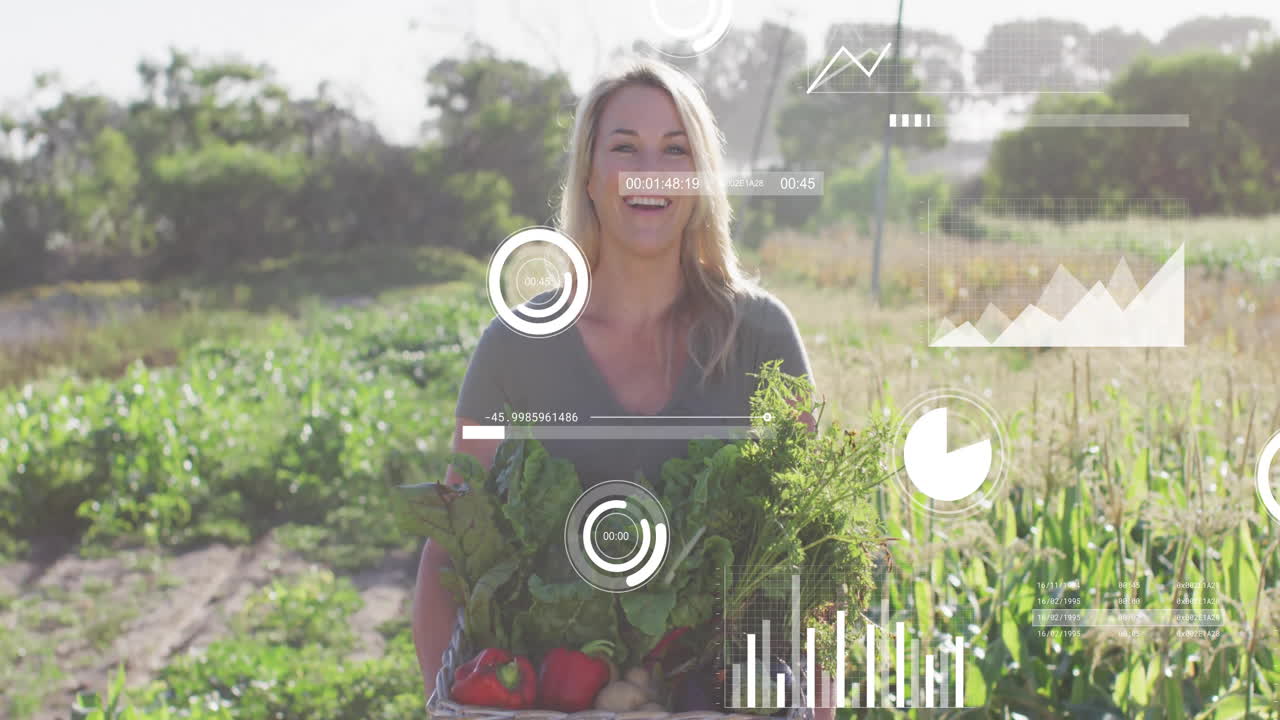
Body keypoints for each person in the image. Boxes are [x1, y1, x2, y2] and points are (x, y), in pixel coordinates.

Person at [411, 57, 821, 712]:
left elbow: (813, 540)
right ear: (591, 177)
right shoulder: (514, 345)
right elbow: (451, 546)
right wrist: (448, 704)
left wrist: (816, 705)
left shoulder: (763, 336)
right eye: (625, 148)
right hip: (553, 696)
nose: (651, 170)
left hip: (720, 693)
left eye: (675, 149)